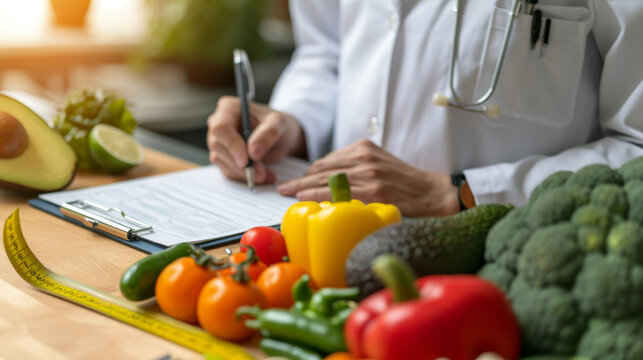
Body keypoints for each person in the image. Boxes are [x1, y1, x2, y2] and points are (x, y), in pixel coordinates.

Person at [207, 0, 643, 217]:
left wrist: (461, 193)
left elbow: (636, 145)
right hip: (324, 239)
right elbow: (325, 51)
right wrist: (293, 122)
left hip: (501, 273)